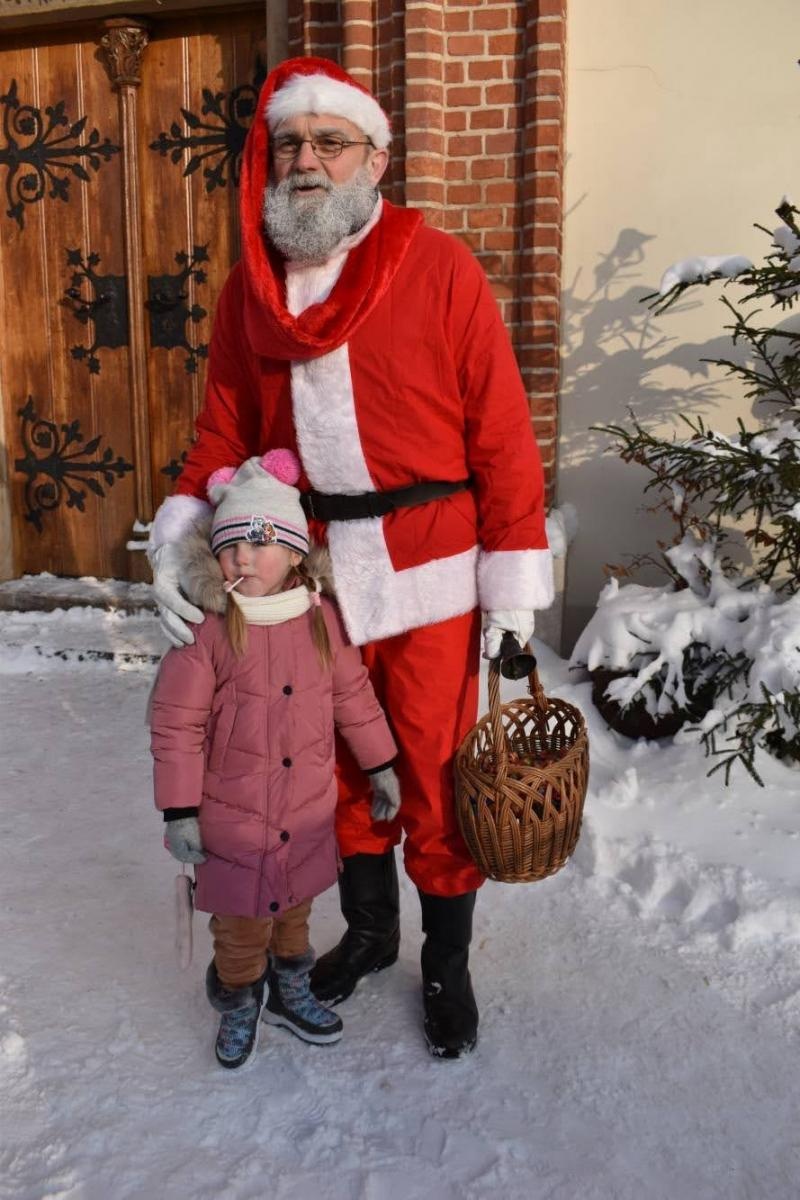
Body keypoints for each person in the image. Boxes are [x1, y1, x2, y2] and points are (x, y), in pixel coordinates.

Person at [148, 57, 553, 1059]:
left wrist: (511, 584)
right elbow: (224, 430)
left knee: (433, 776)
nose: (306, 161)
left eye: (329, 142)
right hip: (312, 580)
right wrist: (177, 535)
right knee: (326, 771)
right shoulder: (252, 289)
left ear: (374, 158)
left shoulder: (439, 266)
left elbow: (502, 436)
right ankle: (369, 933)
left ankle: (446, 965)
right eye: (289, 143)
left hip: (428, 574)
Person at [149, 448, 399, 1069]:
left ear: (293, 554)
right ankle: (239, 999)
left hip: (304, 810)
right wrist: (179, 812)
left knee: (293, 915)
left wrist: (381, 765)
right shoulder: (207, 628)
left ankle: (290, 989)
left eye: (258, 544)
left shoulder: (321, 620)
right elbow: (177, 724)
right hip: (231, 818)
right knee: (240, 928)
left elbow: (352, 697)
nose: (241, 558)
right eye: (230, 545)